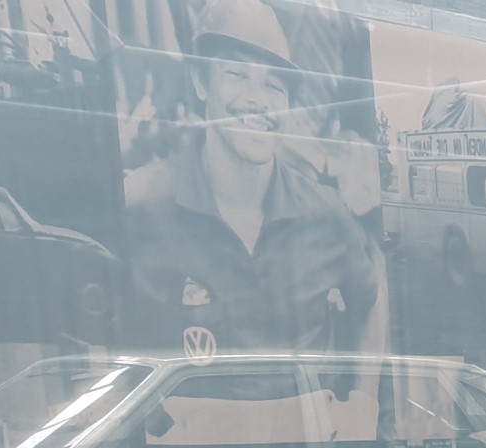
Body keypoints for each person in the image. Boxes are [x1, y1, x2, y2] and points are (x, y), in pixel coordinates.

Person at [122, 0, 385, 359]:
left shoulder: (325, 212)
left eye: (274, 86)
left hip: (303, 399)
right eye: (236, 74)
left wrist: (362, 391)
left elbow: (372, 302)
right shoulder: (142, 204)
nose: (257, 101)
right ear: (201, 82)